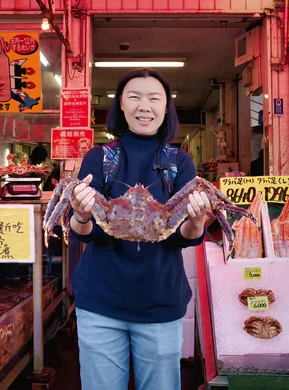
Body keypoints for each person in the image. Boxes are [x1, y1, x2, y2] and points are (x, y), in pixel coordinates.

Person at [69, 68, 210, 390]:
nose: (143, 106)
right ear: (120, 105)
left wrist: (197, 221)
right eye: (134, 97)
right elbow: (84, 232)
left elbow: (183, 237)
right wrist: (79, 213)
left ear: (165, 108)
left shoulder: (179, 162)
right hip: (100, 301)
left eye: (153, 98)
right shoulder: (99, 158)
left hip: (160, 301)